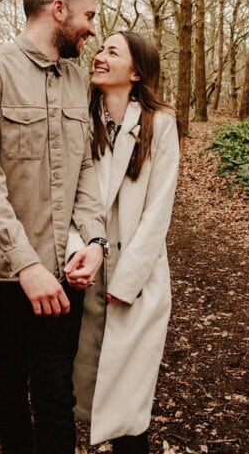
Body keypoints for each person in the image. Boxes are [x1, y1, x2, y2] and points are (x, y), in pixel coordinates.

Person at [0, 0, 109, 454]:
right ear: (57, 10)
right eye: (88, 16)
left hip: (64, 272)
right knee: (8, 388)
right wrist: (27, 264)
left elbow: (85, 168)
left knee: (55, 394)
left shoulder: (78, 80)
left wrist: (96, 240)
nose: (93, 28)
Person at [66, 30, 181, 454]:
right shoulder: (80, 117)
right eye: (100, 49)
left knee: (129, 404)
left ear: (135, 71)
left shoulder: (161, 124)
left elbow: (158, 212)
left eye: (112, 51)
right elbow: (69, 194)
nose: (99, 56)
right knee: (73, 390)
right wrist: (76, 251)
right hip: (82, 271)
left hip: (137, 280)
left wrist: (126, 280)